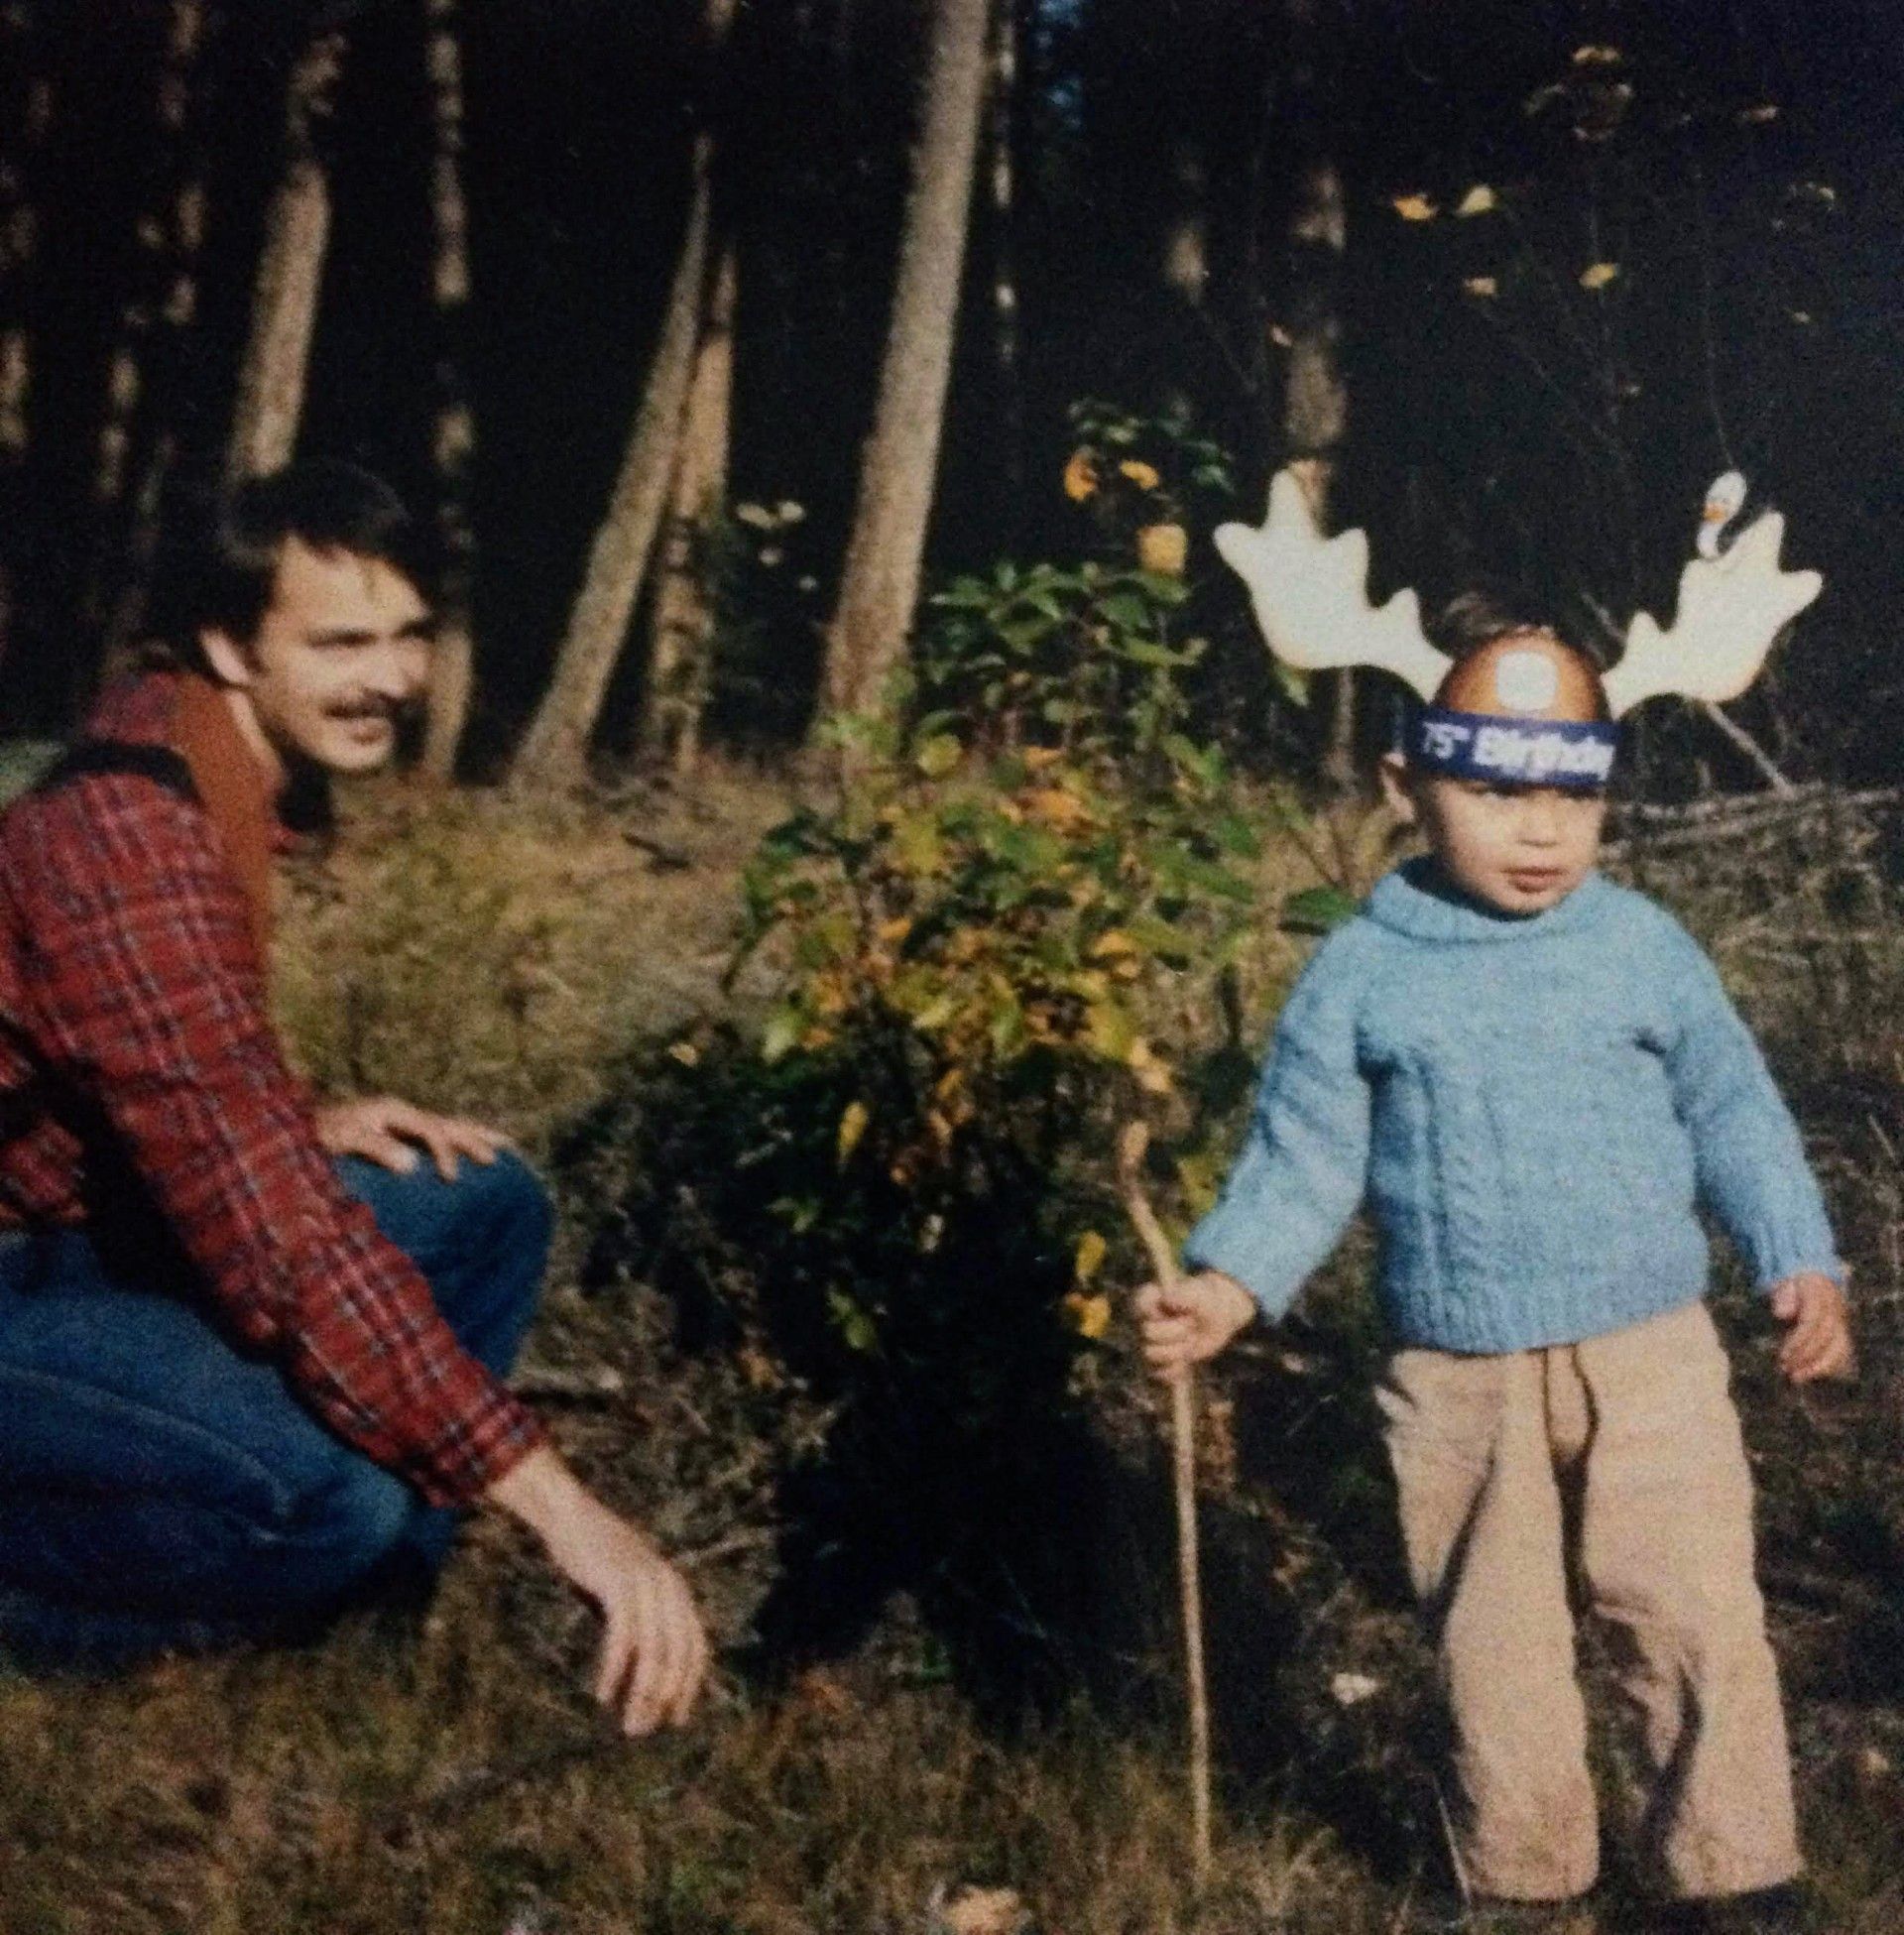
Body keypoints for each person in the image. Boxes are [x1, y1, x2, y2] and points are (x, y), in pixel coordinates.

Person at [1138, 605, 1851, 1931]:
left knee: (1693, 1613)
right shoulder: (1361, 975)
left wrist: (1796, 1252)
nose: (1538, 827)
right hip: (1457, 1377)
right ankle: (1526, 1881)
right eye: (1494, 785)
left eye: (1570, 789)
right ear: (1406, 786)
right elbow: (1302, 1163)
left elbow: (1735, 1109)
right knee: (1496, 1644)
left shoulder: (1640, 945)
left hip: (1654, 1355)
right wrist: (1227, 1282)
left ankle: (1736, 1875)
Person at [0, 458, 708, 1735]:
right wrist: (561, 1506)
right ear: (226, 642)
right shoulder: (124, 831)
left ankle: (374, 1601)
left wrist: (296, 1112)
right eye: (339, 642)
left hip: (60, 1241)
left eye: (407, 635)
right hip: (19, 1274)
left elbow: (151, 1052)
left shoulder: (201, 752)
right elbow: (277, 1241)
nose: (387, 677)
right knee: (326, 1490)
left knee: (480, 1198)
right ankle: (88, 1611)